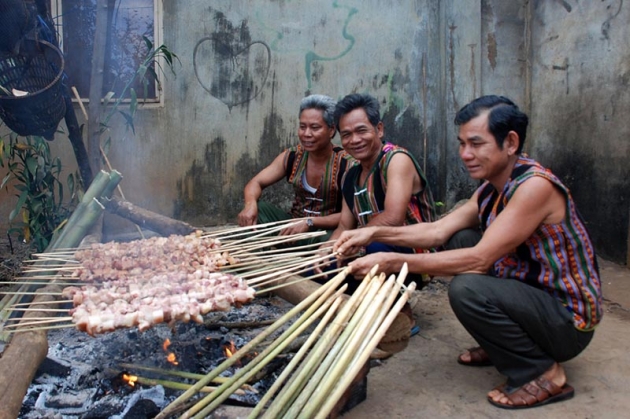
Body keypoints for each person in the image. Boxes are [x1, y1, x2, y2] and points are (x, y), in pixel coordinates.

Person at [333, 95, 603, 409]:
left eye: (476, 143)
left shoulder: (534, 187)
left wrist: (391, 260)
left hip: (567, 323)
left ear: (510, 142)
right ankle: (507, 343)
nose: (465, 154)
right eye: (462, 144)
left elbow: (480, 259)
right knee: (461, 238)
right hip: (535, 303)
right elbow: (437, 231)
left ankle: (541, 372)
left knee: (467, 289)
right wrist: (371, 232)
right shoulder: (490, 187)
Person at [318, 93, 436, 292]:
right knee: (318, 268)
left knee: (374, 249)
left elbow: (393, 219)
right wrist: (327, 249)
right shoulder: (350, 176)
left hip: (413, 255)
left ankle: (390, 296)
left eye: (361, 131)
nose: (354, 140)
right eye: (346, 134)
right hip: (368, 249)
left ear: (379, 129)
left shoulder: (396, 159)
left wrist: (354, 241)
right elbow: (344, 226)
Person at [237, 94, 352, 245]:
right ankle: (258, 255)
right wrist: (250, 205)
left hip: (325, 232)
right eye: (302, 127)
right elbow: (256, 182)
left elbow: (351, 216)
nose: (306, 134)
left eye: (315, 128)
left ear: (331, 130)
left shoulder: (347, 164)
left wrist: (310, 221)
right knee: (259, 210)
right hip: (292, 227)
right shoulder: (293, 156)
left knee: (338, 239)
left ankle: (316, 253)